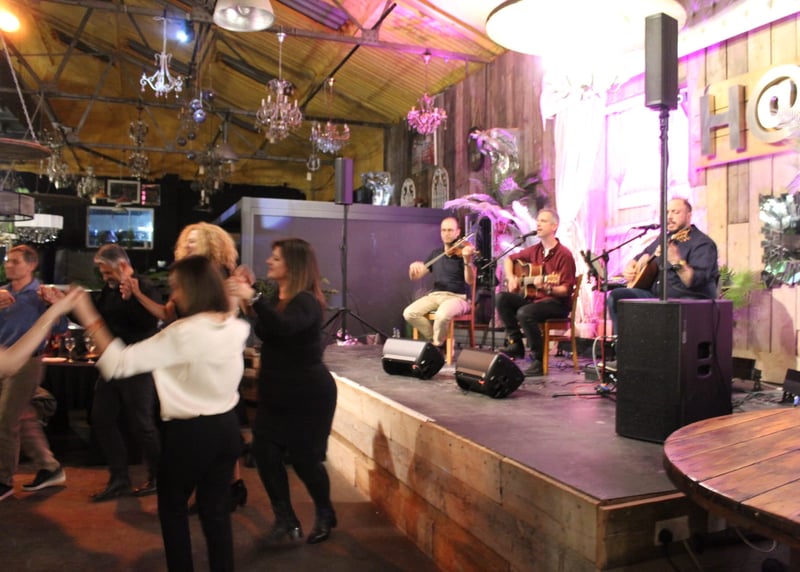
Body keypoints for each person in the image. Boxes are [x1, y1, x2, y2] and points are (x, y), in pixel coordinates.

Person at [70, 255, 251, 572]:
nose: (173, 296)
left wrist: (87, 313)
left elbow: (119, 363)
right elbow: (230, 310)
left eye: (176, 288)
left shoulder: (183, 333)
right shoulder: (233, 326)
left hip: (191, 434)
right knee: (216, 512)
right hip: (226, 430)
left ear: (192, 290)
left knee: (172, 509)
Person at [126, 222, 249, 512]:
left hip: (210, 359)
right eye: (187, 240)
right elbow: (168, 316)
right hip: (186, 358)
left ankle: (226, 489)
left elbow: (226, 320)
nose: (190, 244)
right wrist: (138, 294)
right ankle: (226, 490)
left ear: (211, 243)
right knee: (206, 429)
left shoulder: (220, 276)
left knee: (213, 424)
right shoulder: (187, 278)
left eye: (196, 239)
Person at [227, 238, 338, 545]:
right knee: (264, 454)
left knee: (305, 460)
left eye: (275, 258)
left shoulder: (306, 301)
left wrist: (254, 297)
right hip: (277, 393)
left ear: (293, 265)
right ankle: (285, 519)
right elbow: (270, 325)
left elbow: (285, 327)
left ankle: (325, 512)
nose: (268, 261)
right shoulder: (279, 297)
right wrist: (249, 298)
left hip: (307, 395)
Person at [87, 244, 163, 501]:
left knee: (142, 424)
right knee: (101, 418)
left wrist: (133, 299)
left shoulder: (145, 287)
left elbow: (149, 323)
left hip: (138, 364)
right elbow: (100, 318)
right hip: (113, 362)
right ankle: (119, 478)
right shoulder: (109, 290)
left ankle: (159, 476)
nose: (104, 276)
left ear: (121, 265)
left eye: (106, 271)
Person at [0, 245, 69, 501]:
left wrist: (55, 305)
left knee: (6, 421)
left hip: (26, 364)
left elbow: (61, 327)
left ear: (31, 265)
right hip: (2, 360)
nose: (9, 265)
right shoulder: (3, 292)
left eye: (15, 261)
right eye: (7, 260)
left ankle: (3, 480)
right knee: (24, 418)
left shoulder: (40, 294)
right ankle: (50, 467)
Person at [608, 197, 719, 334]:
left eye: (675, 212)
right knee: (618, 296)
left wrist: (676, 261)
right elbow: (640, 256)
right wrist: (631, 266)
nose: (669, 217)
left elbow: (694, 281)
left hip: (684, 301)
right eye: (667, 212)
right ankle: (622, 343)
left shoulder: (702, 244)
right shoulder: (664, 238)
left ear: (689, 215)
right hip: (655, 296)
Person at [496, 208, 577, 377]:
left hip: (556, 304)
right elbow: (509, 259)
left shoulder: (564, 255)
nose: (538, 224)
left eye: (543, 221)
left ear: (554, 226)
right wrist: (511, 278)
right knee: (502, 298)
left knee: (525, 312)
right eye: (538, 221)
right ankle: (516, 344)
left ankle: (538, 360)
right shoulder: (535, 250)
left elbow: (565, 290)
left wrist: (547, 287)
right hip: (535, 300)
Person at [402, 216, 475, 351]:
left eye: (450, 230)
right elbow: (416, 277)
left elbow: (470, 280)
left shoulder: (464, 253)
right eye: (443, 230)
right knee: (409, 313)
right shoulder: (436, 253)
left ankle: (437, 344)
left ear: (458, 232)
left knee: (442, 315)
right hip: (435, 296)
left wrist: (467, 260)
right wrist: (413, 269)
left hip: (458, 297)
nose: (446, 233)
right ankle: (439, 341)